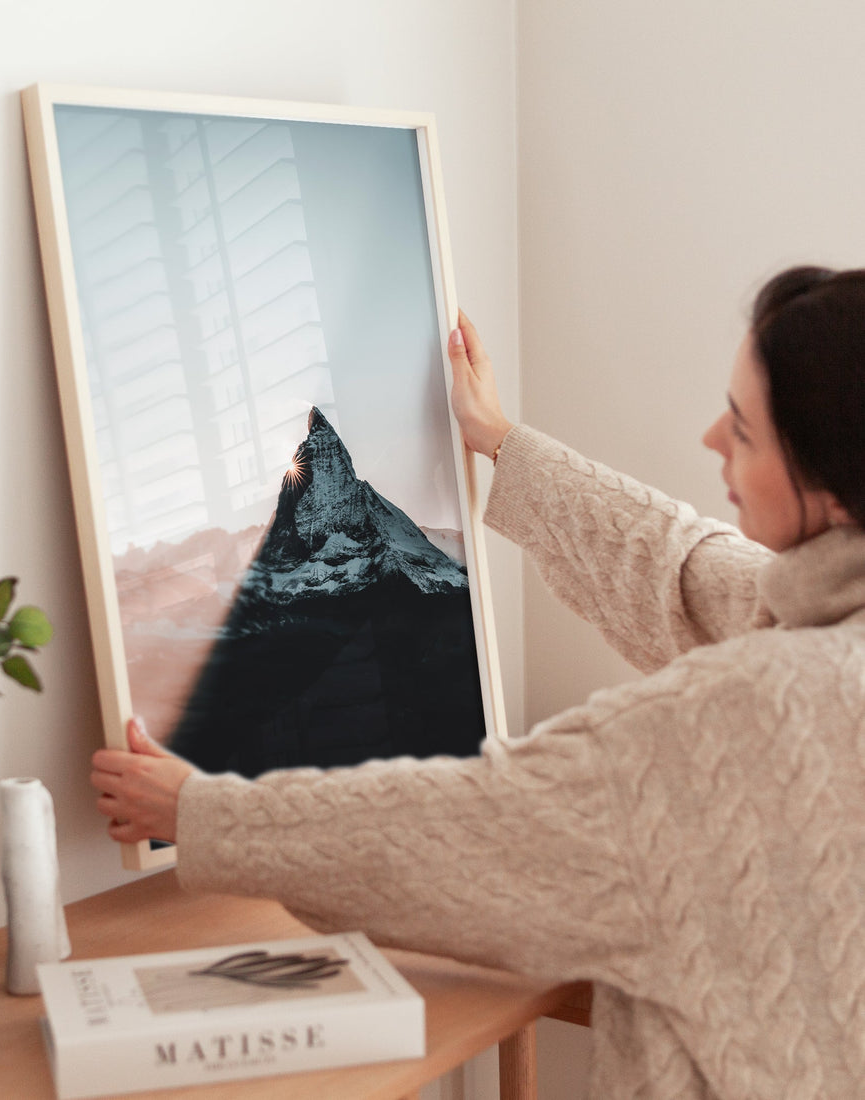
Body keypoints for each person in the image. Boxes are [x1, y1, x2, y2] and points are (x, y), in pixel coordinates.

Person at [90, 266, 865, 1099]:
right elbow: (684, 570)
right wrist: (500, 441)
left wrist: (200, 813)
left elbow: (471, 828)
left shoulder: (747, 716)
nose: (712, 437)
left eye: (744, 432)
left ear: (830, 487)